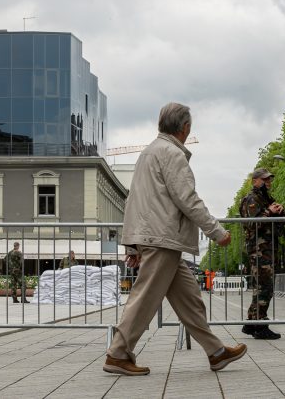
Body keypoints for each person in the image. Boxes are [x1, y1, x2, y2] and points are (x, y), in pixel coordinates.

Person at [103, 102, 247, 376]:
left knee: (189, 298)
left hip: (156, 236)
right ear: (185, 128)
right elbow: (187, 199)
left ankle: (215, 352)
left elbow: (135, 200)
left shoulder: (148, 153)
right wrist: (217, 232)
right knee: (145, 297)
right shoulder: (172, 154)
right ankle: (118, 354)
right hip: (163, 238)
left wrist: (133, 243)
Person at [239, 166, 285, 340]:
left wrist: (281, 212)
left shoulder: (265, 198)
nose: (268, 182)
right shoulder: (251, 199)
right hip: (259, 249)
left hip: (266, 248)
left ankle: (251, 323)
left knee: (263, 286)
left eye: (269, 179)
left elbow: (277, 221)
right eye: (265, 179)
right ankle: (259, 325)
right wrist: (269, 212)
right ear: (255, 181)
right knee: (264, 287)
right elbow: (252, 223)